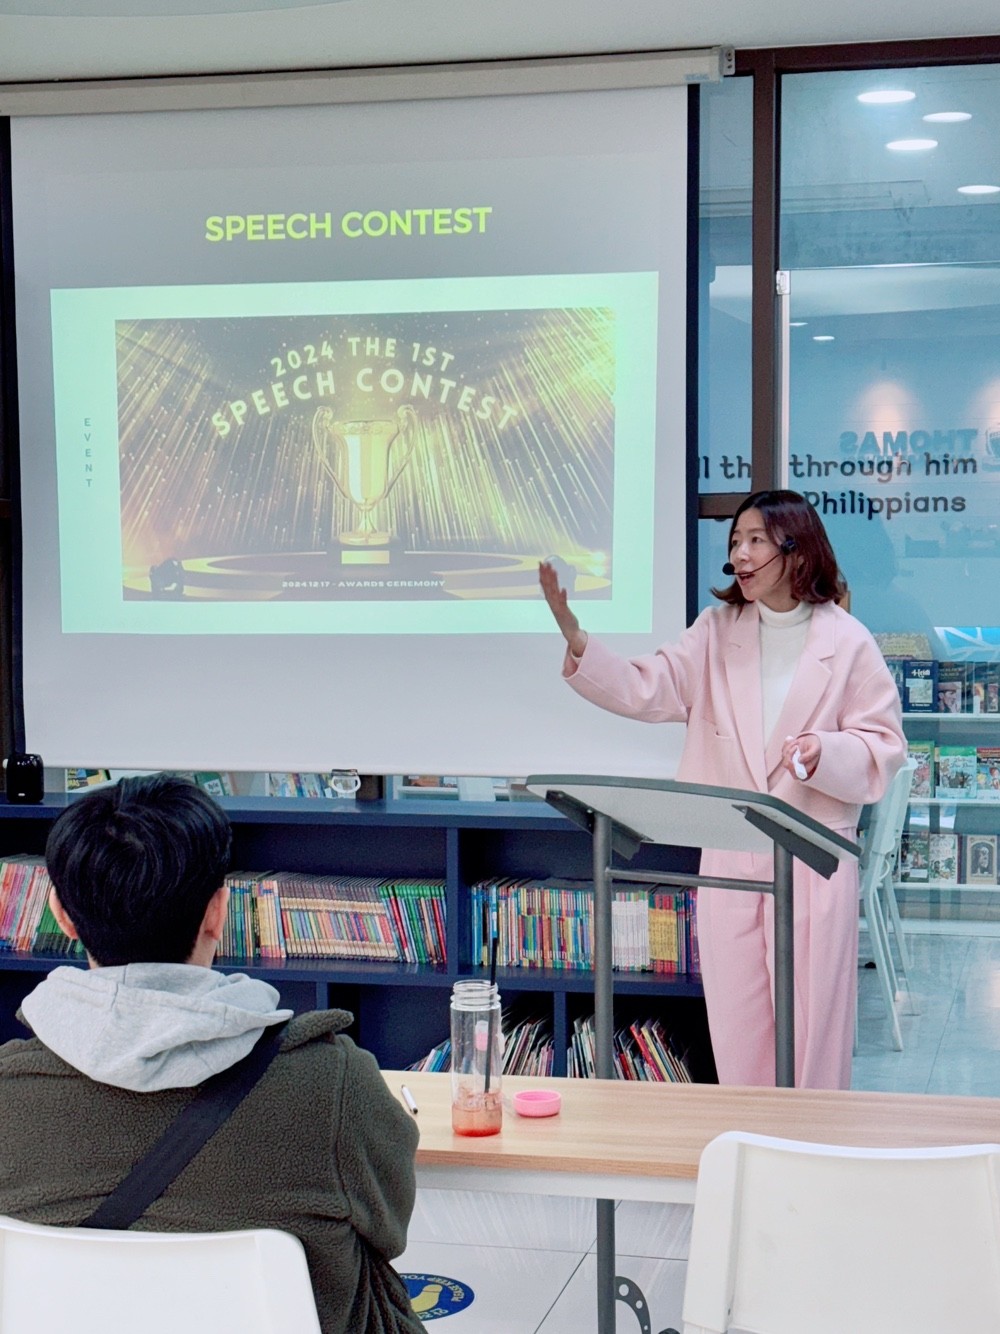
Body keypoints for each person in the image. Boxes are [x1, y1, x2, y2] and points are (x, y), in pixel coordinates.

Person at [0, 773, 422, 1334]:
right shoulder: (331, 1082)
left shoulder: (8, 1094)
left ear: (60, 913)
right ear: (218, 912)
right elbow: (390, 1229)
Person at [539, 489, 905, 1089]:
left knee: (812, 1031)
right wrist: (577, 636)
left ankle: (811, 1157)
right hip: (729, 857)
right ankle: (752, 1156)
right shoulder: (716, 631)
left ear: (796, 549)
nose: (740, 552)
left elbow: (883, 748)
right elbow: (646, 687)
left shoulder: (849, 641)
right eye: (735, 541)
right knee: (739, 1030)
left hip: (811, 857)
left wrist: (824, 752)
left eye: (755, 539)